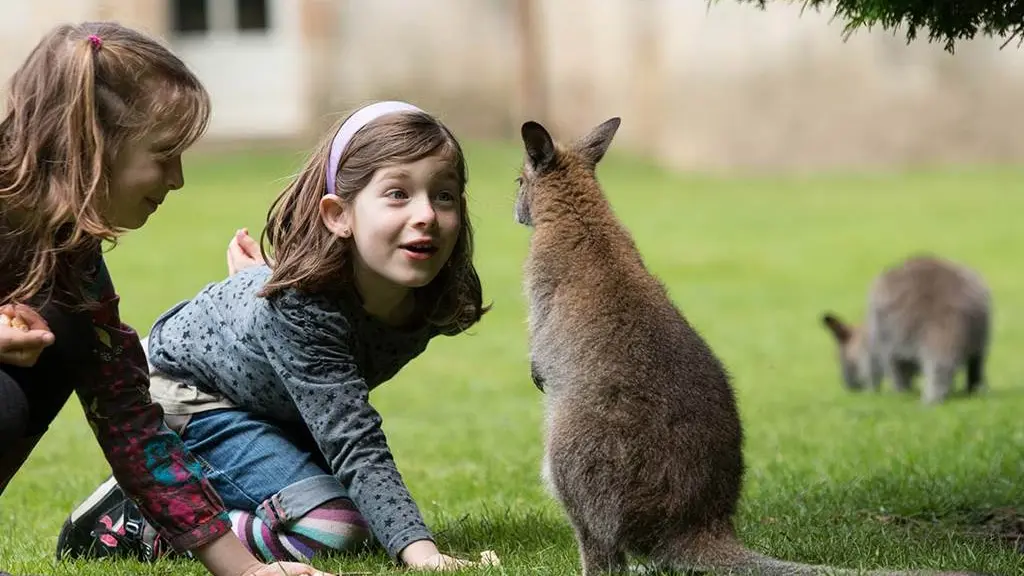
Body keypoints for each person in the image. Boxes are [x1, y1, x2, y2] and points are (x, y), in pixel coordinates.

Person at [58, 101, 491, 570]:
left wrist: (254, 285)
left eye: (443, 195)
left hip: (267, 408)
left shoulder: (436, 292)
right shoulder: (303, 308)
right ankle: (150, 517)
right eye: (397, 194)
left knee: (367, 513)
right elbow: (353, 440)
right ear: (338, 215)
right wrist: (424, 556)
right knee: (333, 526)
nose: (426, 213)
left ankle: (193, 489)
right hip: (188, 397)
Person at [0, 21, 330, 576]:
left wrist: (245, 569)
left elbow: (129, 420)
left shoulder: (71, 264)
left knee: (67, 344)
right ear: (93, 144)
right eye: (164, 153)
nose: (177, 179)